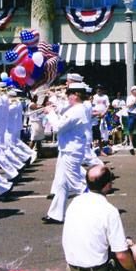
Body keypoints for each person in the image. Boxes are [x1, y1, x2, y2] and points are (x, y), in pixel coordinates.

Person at [62, 165, 136, 271]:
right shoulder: (109, 211)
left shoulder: (75, 202)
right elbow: (122, 256)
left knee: (123, 244)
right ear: (108, 185)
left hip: (74, 269)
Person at [43, 83, 89, 224]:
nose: (67, 97)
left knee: (77, 185)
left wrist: (50, 113)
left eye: (69, 94)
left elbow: (57, 127)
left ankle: (98, 207)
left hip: (71, 152)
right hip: (68, 150)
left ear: (76, 95)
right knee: (62, 184)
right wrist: (55, 111)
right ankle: (55, 214)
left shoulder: (76, 110)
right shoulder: (77, 108)